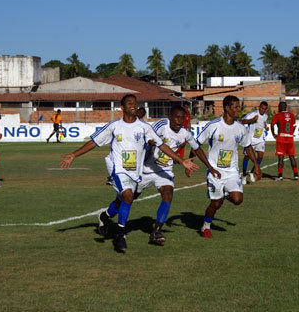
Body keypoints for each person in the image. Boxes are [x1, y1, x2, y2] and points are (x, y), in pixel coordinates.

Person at [59, 94, 199, 252]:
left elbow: (162, 146)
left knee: (125, 199)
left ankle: (104, 216)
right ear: (122, 108)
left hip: (136, 171)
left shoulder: (145, 128)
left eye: (135, 103)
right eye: (130, 103)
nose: (133, 105)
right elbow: (94, 142)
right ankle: (120, 234)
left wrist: (181, 161)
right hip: (117, 167)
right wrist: (74, 155)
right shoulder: (114, 126)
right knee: (128, 196)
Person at [103, 106, 220, 245]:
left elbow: (197, 149)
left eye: (182, 118)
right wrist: (152, 141)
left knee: (168, 194)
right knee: (127, 198)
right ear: (170, 116)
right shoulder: (161, 125)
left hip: (164, 171)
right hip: (145, 169)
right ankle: (105, 216)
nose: (179, 121)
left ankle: (156, 231)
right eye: (176, 117)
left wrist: (210, 168)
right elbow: (150, 137)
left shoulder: (185, 134)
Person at [196, 95, 261, 239]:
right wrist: (196, 163)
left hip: (232, 171)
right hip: (215, 172)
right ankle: (205, 227)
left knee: (237, 199)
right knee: (216, 203)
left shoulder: (240, 128)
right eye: (236, 107)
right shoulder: (213, 126)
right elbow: (196, 145)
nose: (239, 109)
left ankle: (225, 193)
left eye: (239, 106)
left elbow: (248, 146)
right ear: (227, 108)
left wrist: (256, 165)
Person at [241, 101, 269, 184]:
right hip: (250, 139)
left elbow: (263, 123)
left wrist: (266, 127)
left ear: (266, 109)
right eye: (261, 108)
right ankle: (244, 175)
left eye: (264, 109)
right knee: (247, 157)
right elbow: (242, 121)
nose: (262, 110)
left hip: (260, 139)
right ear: (259, 107)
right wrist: (252, 120)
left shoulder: (266, 116)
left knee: (260, 156)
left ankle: (252, 172)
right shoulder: (253, 114)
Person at [271, 101, 298, 181]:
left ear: (280, 107)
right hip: (290, 138)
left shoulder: (278, 115)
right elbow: (294, 127)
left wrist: (274, 134)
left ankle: (280, 176)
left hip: (281, 138)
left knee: (281, 158)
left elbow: (272, 124)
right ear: (285, 107)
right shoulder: (292, 115)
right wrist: (290, 134)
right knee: (292, 157)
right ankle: (296, 175)